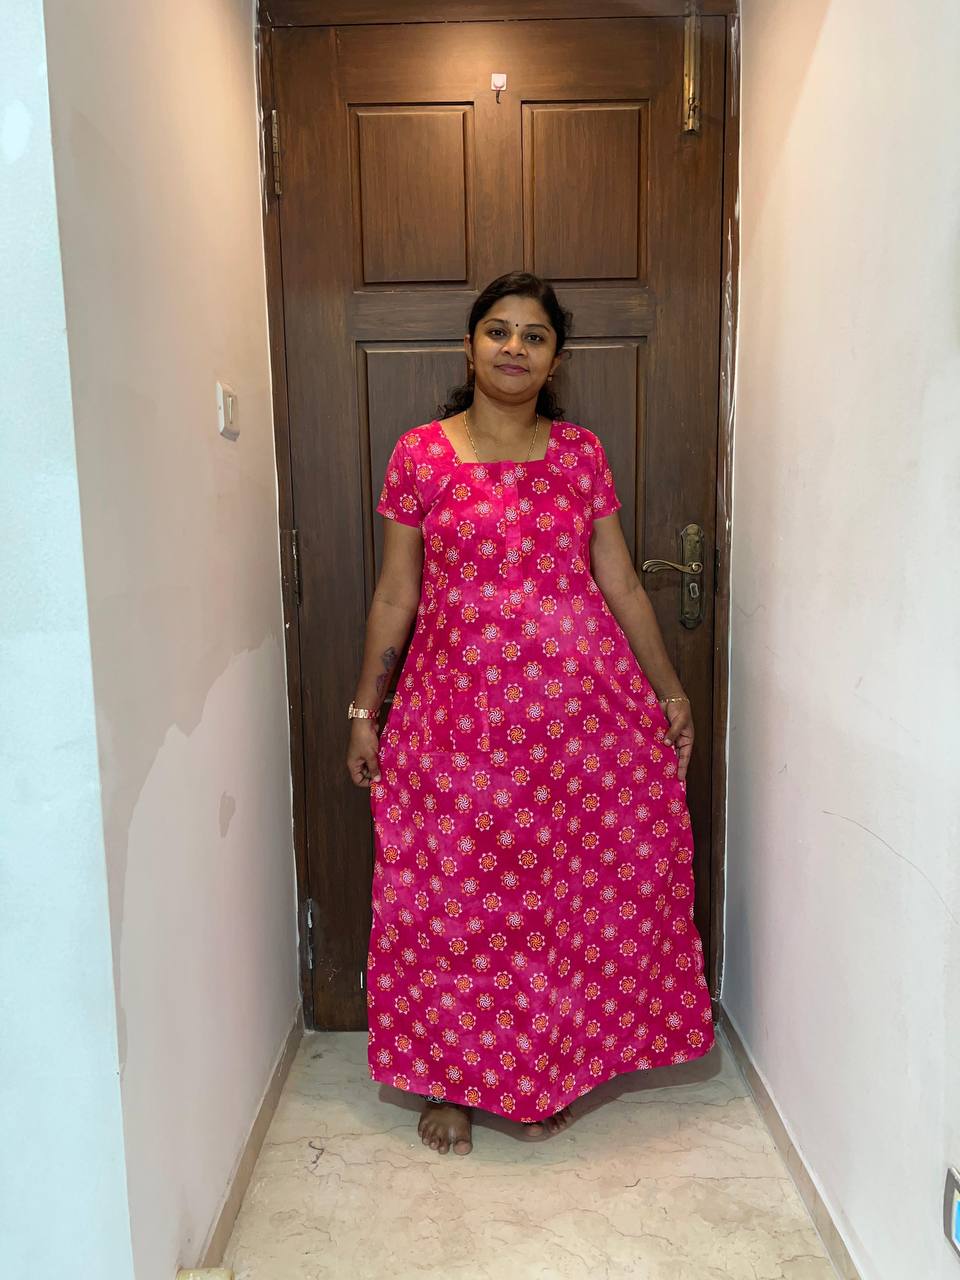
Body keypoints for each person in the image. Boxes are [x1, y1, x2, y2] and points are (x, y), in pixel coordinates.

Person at [347, 270, 715, 1157]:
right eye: (499, 330)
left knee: (565, 903)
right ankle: (450, 1081)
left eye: (535, 336)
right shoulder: (419, 455)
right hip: (454, 723)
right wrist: (365, 709)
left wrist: (669, 691)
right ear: (469, 347)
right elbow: (396, 593)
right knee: (452, 897)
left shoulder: (580, 454)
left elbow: (621, 582)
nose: (515, 346)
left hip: (580, 725)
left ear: (555, 360)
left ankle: (545, 1069)